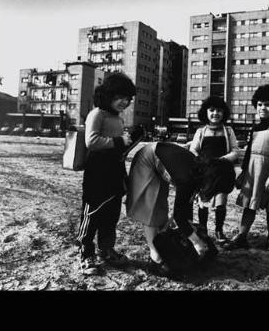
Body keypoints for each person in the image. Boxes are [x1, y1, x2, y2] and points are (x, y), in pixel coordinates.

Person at [125, 141, 235, 276]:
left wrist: (190, 232)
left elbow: (185, 207)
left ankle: (160, 244)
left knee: (161, 210)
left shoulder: (200, 172)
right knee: (151, 210)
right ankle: (155, 258)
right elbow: (179, 215)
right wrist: (196, 242)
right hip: (147, 159)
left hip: (162, 156)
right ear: (214, 182)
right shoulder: (187, 178)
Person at [76, 72, 136, 275]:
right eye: (120, 97)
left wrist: (128, 142)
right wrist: (120, 141)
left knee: (111, 214)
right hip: (97, 171)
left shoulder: (117, 118)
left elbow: (117, 146)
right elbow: (91, 141)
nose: (124, 102)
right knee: (92, 213)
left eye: (128, 99)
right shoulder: (97, 114)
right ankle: (85, 254)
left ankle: (106, 249)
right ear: (108, 94)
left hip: (115, 170)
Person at [223, 84, 269, 254]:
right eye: (259, 104)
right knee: (249, 204)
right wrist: (243, 173)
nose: (262, 108)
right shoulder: (255, 128)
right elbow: (248, 154)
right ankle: (242, 236)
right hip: (252, 171)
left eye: (267, 105)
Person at [189, 96, 238, 244]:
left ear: (224, 113)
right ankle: (203, 230)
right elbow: (193, 149)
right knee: (203, 202)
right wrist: (201, 161)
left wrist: (224, 159)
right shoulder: (201, 131)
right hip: (205, 171)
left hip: (223, 171)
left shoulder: (228, 131)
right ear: (206, 112)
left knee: (220, 202)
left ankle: (219, 230)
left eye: (219, 110)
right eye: (212, 110)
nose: (215, 113)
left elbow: (235, 150)